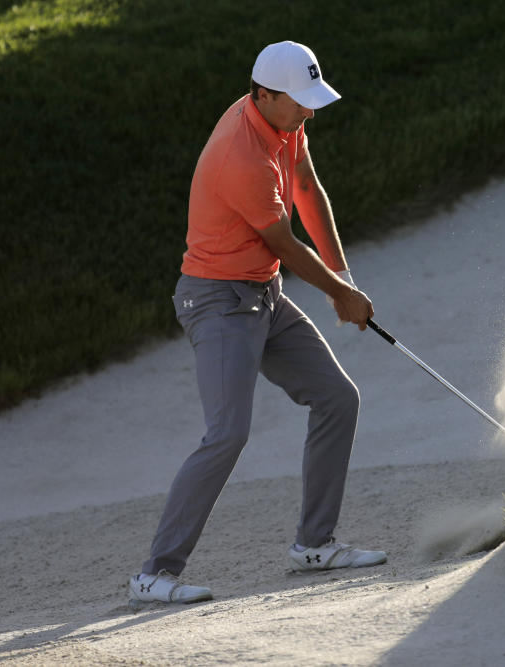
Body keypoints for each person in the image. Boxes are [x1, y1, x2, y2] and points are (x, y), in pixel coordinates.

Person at [128, 41, 386, 606]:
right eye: (299, 102)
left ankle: (314, 545)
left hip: (262, 293)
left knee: (338, 397)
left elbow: (307, 188)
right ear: (263, 94)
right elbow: (284, 243)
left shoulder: (283, 122)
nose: (309, 112)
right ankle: (155, 574)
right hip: (217, 302)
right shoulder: (240, 156)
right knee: (228, 433)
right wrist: (341, 296)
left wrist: (345, 275)